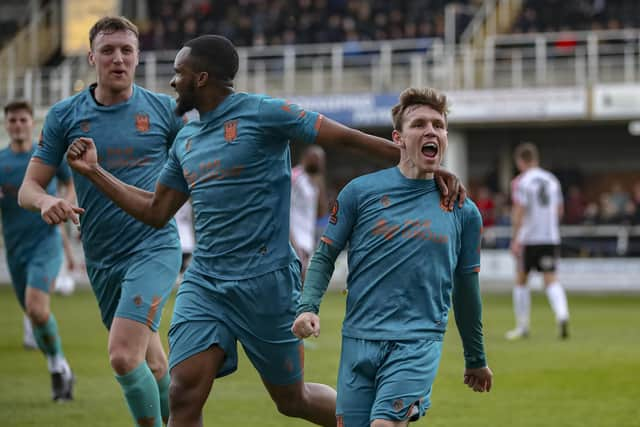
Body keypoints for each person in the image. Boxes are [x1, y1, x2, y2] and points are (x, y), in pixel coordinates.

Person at [63, 35, 466, 427]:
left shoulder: (263, 113)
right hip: (205, 283)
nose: (172, 82)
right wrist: (96, 173)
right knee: (183, 394)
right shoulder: (185, 138)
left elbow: (343, 137)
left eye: (178, 72)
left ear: (201, 77)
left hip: (267, 283)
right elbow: (156, 210)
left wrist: (416, 161)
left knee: (293, 400)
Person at [292, 87, 493, 426]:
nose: (431, 131)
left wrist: (475, 357)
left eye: (438, 125)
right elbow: (325, 254)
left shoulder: (463, 211)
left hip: (417, 340)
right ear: (398, 138)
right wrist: (308, 306)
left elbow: (466, 287)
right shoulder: (360, 192)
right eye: (419, 125)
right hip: (359, 338)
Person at [18, 17, 184, 427]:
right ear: (92, 57)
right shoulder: (64, 116)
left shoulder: (164, 111)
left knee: (123, 357)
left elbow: (199, 174)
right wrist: (44, 202)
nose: (118, 59)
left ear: (138, 57)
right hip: (102, 259)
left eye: (126, 50)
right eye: (108, 50)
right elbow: (28, 188)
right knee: (153, 364)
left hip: (155, 247)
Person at [0, 100, 76, 400]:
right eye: (13, 120)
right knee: (34, 314)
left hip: (46, 244)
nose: (18, 125)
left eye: (23, 120)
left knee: (36, 308)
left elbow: (69, 184)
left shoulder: (46, 156)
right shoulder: (1, 161)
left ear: (32, 123)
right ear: (7, 125)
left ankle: (57, 366)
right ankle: (58, 364)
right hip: (15, 250)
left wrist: (64, 203)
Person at [506, 142, 570, 340]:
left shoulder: (522, 181)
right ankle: (562, 314)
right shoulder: (552, 180)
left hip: (529, 238)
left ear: (520, 161)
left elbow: (519, 210)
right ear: (536, 158)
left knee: (521, 279)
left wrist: (516, 238)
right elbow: (560, 211)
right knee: (551, 279)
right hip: (550, 237)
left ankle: (523, 327)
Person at [290, 145, 327, 279]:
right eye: (317, 158)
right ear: (306, 158)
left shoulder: (313, 182)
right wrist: (290, 238)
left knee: (302, 280)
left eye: (322, 160)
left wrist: (320, 182)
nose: (320, 162)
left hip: (307, 237)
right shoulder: (295, 176)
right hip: (294, 237)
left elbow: (321, 213)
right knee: (301, 276)